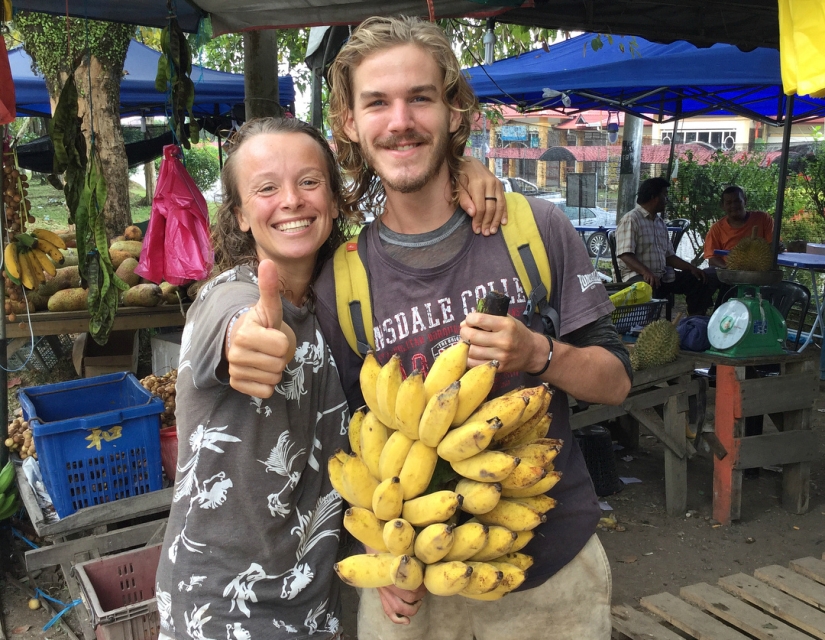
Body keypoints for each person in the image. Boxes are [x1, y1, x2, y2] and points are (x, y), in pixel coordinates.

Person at [314, 16, 633, 639]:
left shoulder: (535, 231)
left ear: (455, 112)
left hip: (550, 577)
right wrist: (377, 561)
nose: (400, 120)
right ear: (351, 123)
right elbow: (341, 448)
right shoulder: (341, 282)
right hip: (410, 590)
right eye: (377, 102)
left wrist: (539, 352)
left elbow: (616, 383)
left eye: (421, 98)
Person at [153, 117, 506, 640]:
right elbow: (231, 331)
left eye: (309, 182)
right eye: (266, 188)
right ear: (241, 216)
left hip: (315, 603)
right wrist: (243, 344)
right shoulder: (227, 297)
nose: (292, 199)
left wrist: (464, 170)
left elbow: (344, 466)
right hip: (220, 608)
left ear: (336, 201)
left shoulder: (335, 305)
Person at [615, 177, 715, 315]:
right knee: (649, 287)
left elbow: (669, 256)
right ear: (653, 197)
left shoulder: (659, 222)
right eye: (665, 195)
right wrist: (646, 272)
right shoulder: (631, 219)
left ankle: (695, 320)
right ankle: (643, 328)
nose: (666, 200)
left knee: (696, 280)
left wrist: (691, 268)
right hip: (636, 276)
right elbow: (625, 254)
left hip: (661, 275)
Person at [704, 185, 775, 268]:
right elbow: (712, 258)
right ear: (723, 206)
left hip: (760, 272)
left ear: (745, 201)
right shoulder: (716, 229)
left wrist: (777, 246)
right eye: (729, 203)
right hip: (729, 275)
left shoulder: (763, 219)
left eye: (737, 201)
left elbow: (772, 245)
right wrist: (731, 269)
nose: (733, 205)